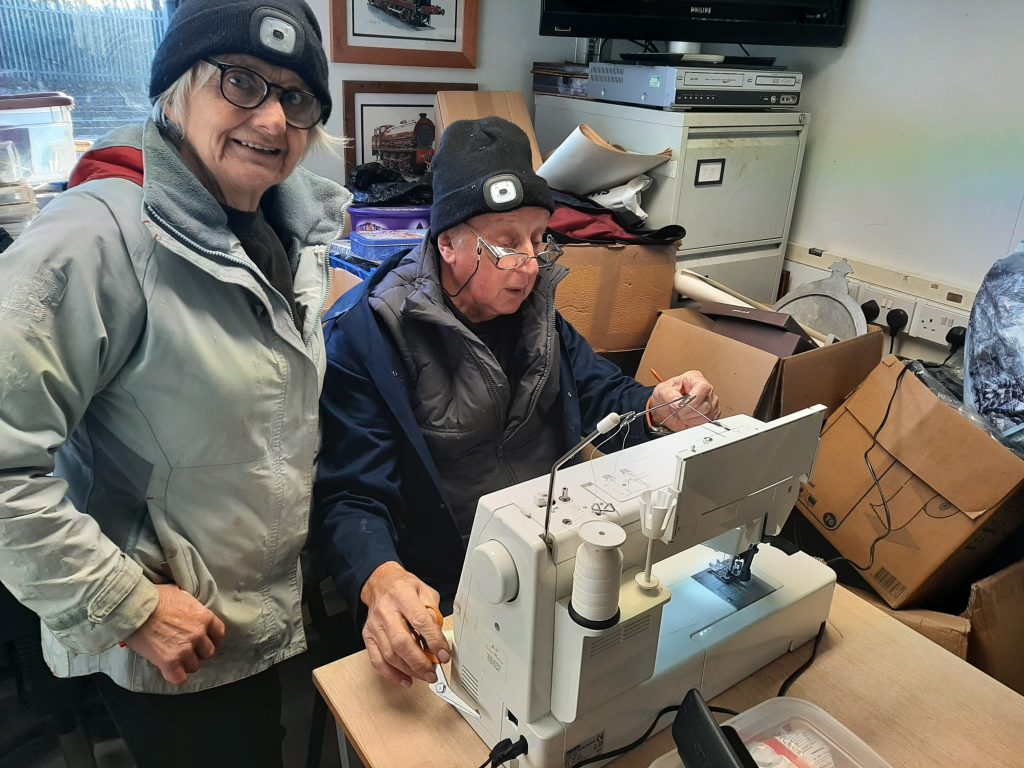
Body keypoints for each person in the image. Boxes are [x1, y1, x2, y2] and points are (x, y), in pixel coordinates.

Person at [0, 0, 350, 765]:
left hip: (255, 614)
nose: (272, 120)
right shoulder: (94, 239)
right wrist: (123, 605)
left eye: (296, 98)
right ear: (177, 88)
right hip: (173, 641)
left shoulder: (282, 230)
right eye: (242, 82)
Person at [313, 117, 719, 689]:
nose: (529, 263)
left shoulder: (537, 314)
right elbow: (352, 495)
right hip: (451, 587)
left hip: (559, 558)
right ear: (447, 242)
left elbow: (602, 395)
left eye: (537, 238)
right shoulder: (371, 335)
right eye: (505, 244)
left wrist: (658, 408)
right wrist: (379, 577)